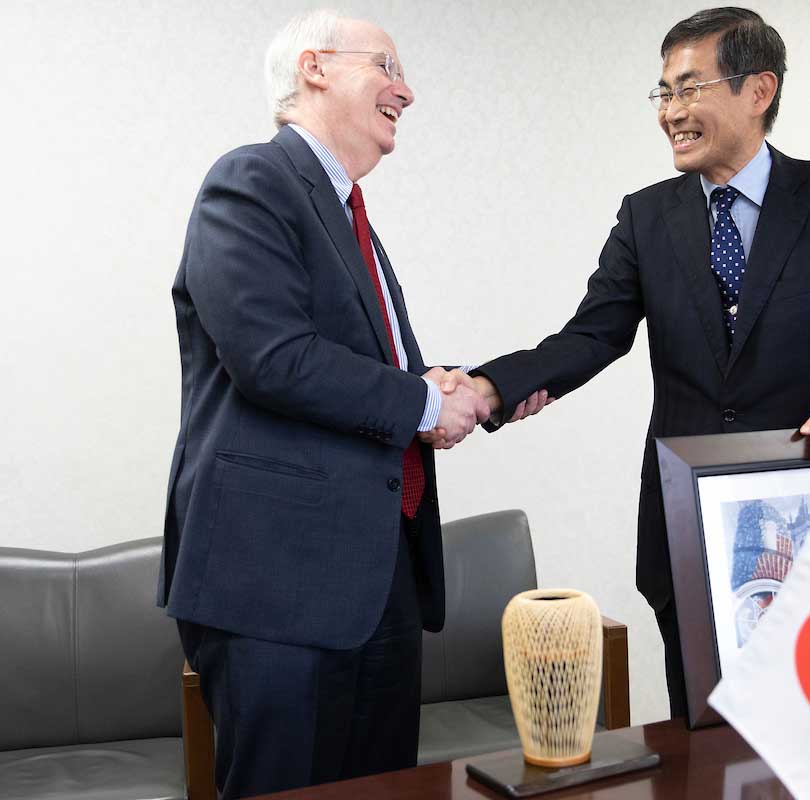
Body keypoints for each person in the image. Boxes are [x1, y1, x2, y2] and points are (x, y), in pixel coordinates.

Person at [464, 7, 810, 720]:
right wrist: (489, 387)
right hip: (686, 537)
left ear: (758, 91)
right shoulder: (645, 215)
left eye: (689, 88)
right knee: (702, 743)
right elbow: (591, 336)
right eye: (663, 93)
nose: (671, 112)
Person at [157, 10, 509, 796]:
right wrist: (421, 404)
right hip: (275, 585)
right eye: (387, 66)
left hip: (376, 579)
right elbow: (272, 358)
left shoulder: (351, 217)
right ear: (315, 68)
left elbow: (363, 374)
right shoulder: (250, 179)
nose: (406, 91)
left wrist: (442, 391)